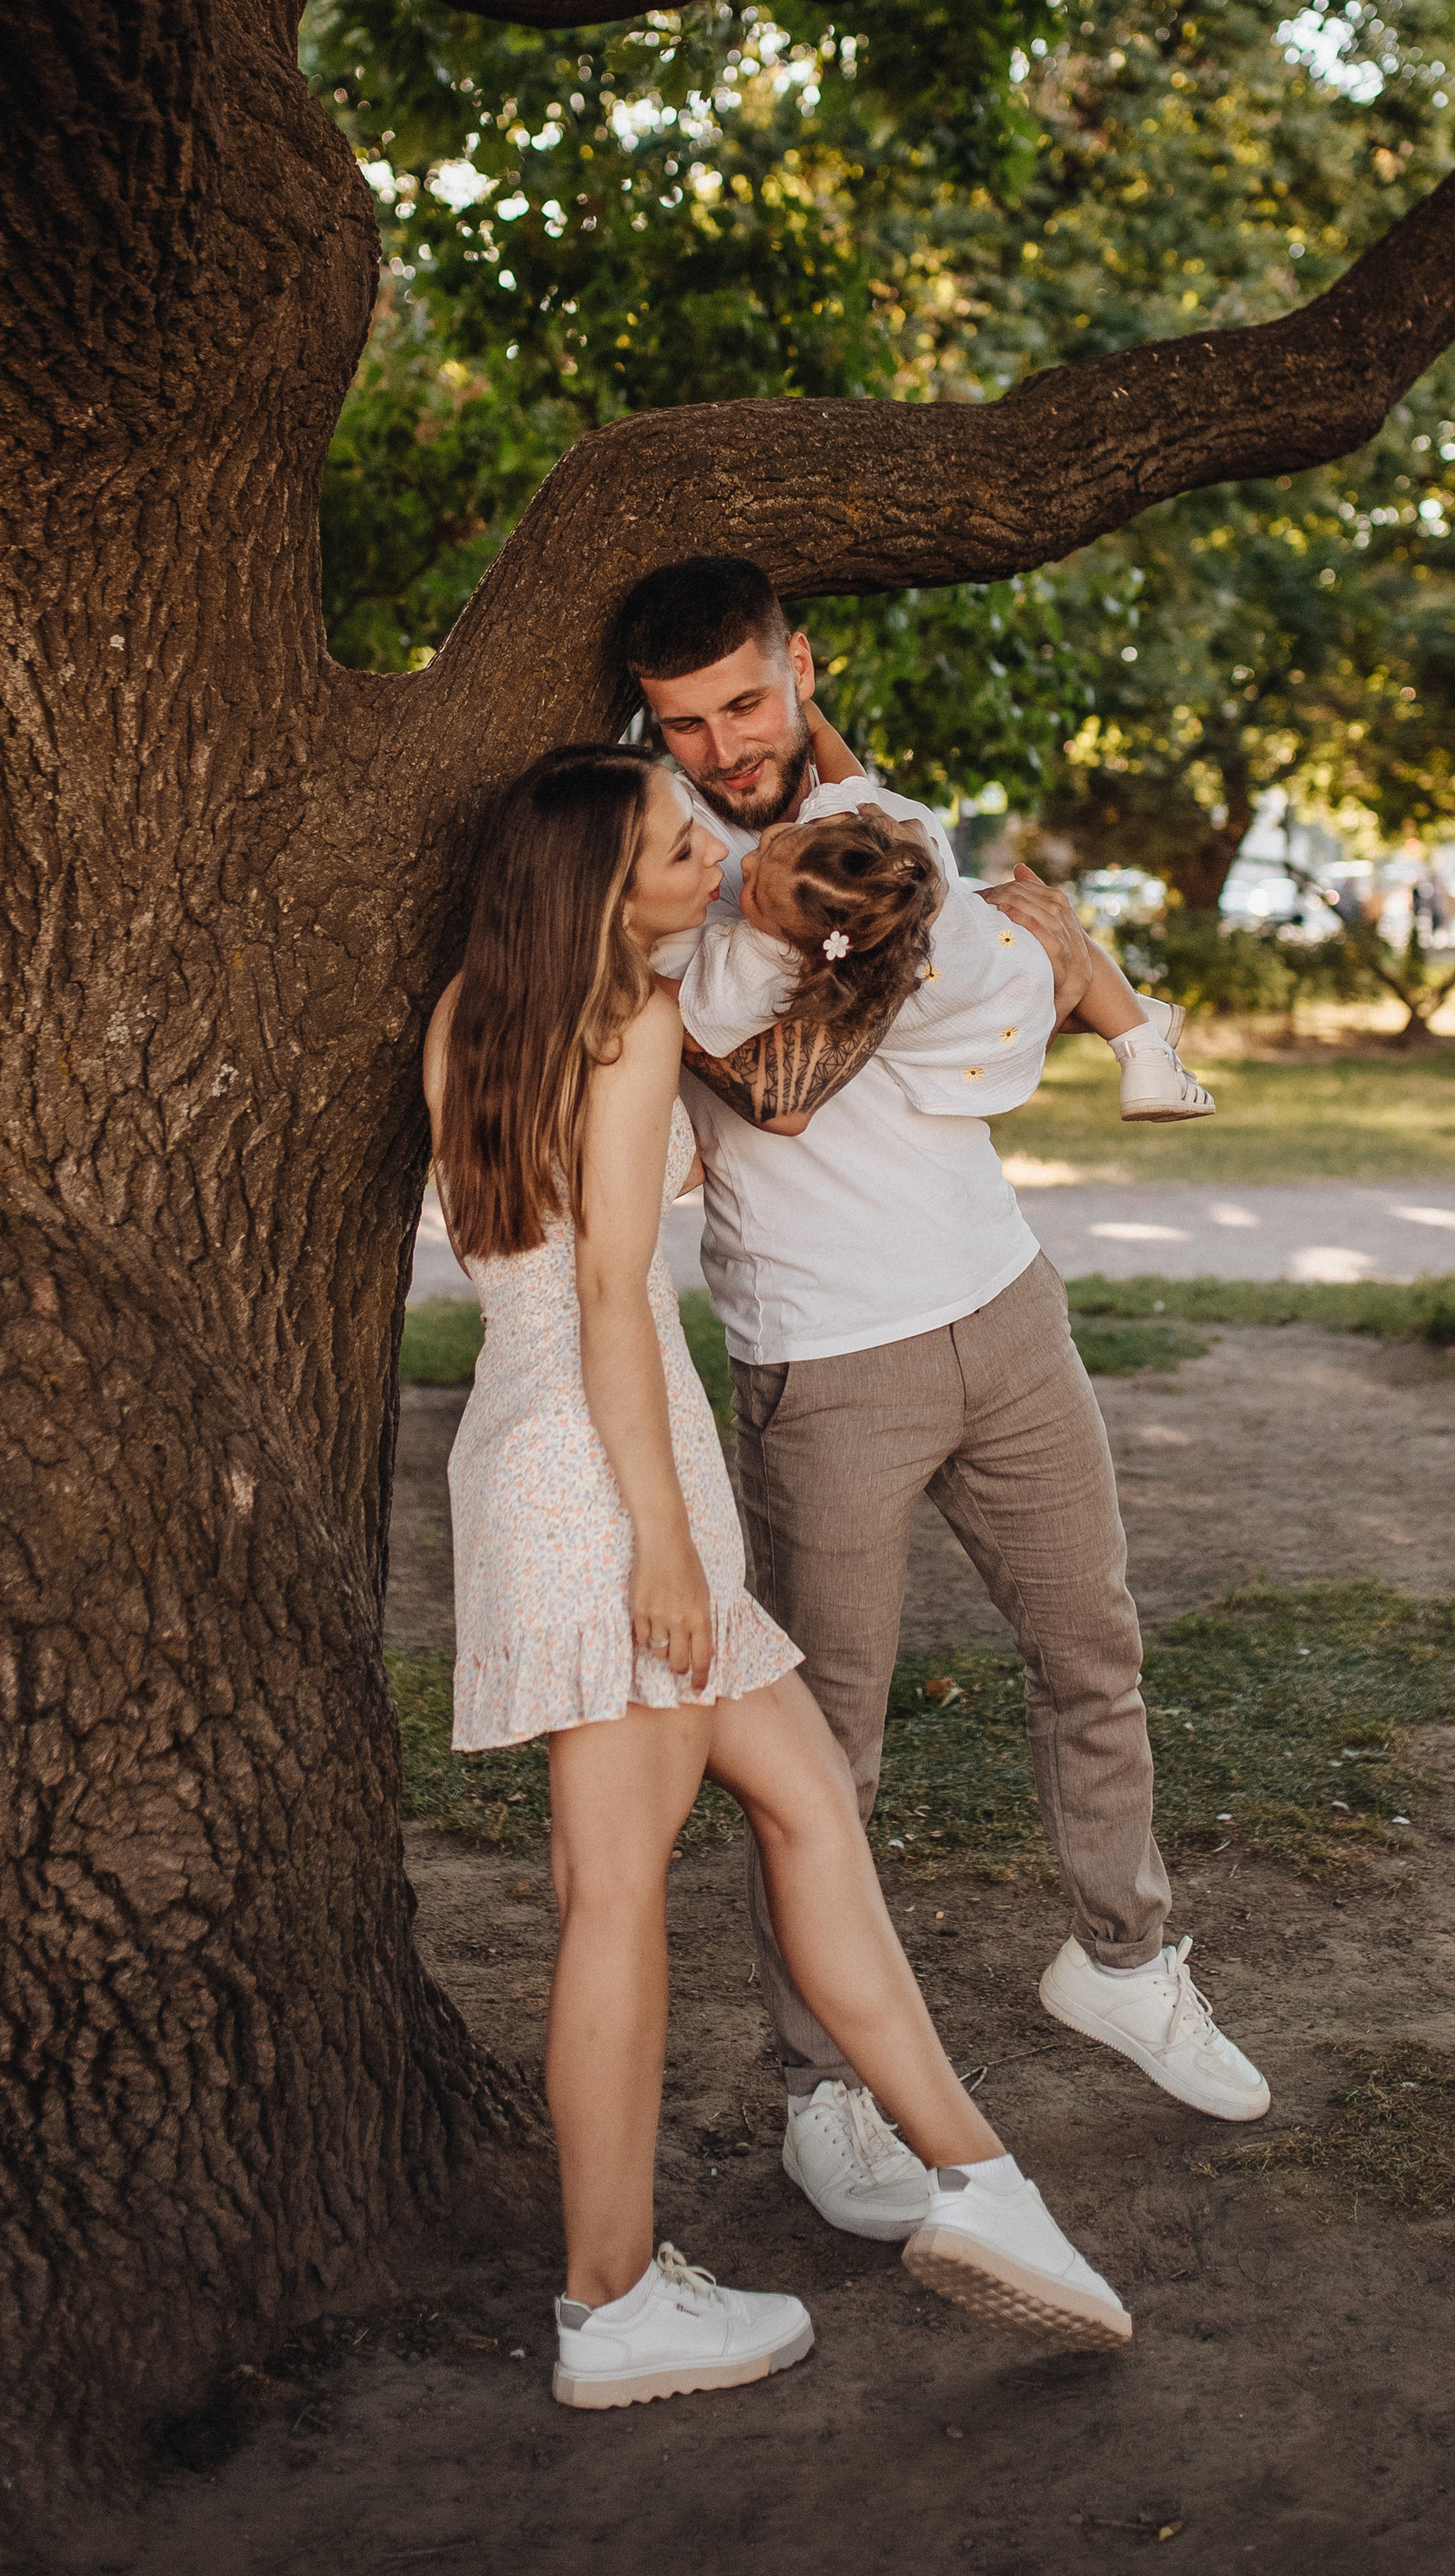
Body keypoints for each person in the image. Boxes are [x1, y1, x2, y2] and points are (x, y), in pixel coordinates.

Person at [423, 744, 1132, 2411]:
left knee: (809, 1805)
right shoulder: (632, 1029)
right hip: (613, 1485)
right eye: (679, 846)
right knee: (616, 1898)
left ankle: (984, 2188)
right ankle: (609, 2306)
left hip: (539, 1455)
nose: (709, 856)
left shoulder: (473, 1012)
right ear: (607, 891)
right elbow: (612, 1295)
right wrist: (665, 1551)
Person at [611, 556, 1270, 2250]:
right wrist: (818, 943)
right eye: (686, 722)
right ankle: (821, 2088)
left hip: (1003, 1307)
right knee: (823, 1750)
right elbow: (741, 1036)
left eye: (746, 703)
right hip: (824, 1362)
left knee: (1092, 1650)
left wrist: (932, 968)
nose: (724, 743)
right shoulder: (662, 862)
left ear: (797, 668)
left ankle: (1123, 1960)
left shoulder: (886, 814)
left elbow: (992, 1036)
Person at [652, 699, 1216, 1124]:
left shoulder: (766, 954)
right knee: (1040, 926)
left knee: (1032, 929)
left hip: (976, 1011)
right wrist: (817, 726)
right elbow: (849, 781)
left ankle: (1140, 1033)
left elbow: (694, 1010)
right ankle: (1139, 1039)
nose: (741, 864)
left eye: (767, 847)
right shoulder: (858, 855)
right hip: (1001, 955)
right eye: (751, 887)